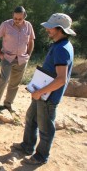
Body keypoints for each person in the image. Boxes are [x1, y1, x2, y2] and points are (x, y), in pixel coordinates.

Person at [12, 13, 75, 165]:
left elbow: (61, 79)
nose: (47, 30)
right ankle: (27, 146)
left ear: (60, 29)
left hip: (48, 97)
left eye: (50, 27)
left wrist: (40, 92)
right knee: (31, 118)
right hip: (41, 94)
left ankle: (41, 156)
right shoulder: (60, 44)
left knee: (46, 129)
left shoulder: (62, 49)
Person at [0, 6, 35, 117]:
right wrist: (0, 53)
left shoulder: (28, 26)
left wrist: (28, 54)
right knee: (3, 81)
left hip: (22, 60)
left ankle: (8, 104)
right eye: (15, 18)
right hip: (7, 58)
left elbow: (31, 41)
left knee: (15, 84)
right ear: (12, 16)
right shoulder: (5, 24)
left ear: (24, 17)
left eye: (19, 19)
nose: (17, 21)